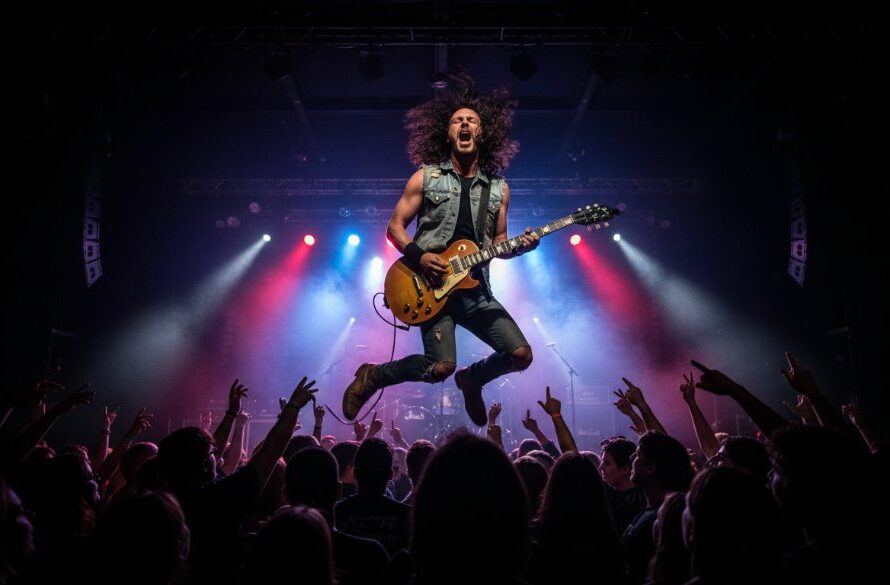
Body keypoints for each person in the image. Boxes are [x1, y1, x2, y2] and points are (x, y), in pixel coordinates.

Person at [342, 75, 539, 426]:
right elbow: (394, 228)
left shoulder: (499, 188)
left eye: (472, 120)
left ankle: (473, 378)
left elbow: (498, 244)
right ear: (447, 133)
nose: (464, 124)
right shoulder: (426, 177)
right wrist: (419, 255)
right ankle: (373, 376)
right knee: (439, 368)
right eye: (456, 121)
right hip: (431, 285)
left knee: (521, 354)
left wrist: (520, 248)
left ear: (483, 133)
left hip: (475, 288)